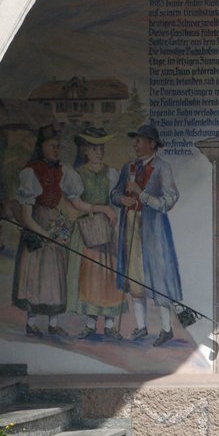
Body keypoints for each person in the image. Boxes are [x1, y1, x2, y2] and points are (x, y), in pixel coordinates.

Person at [112, 122, 184, 346]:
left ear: (152, 144)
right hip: (130, 227)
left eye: (140, 140)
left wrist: (142, 195)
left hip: (153, 231)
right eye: (135, 140)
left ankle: (165, 329)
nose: (135, 144)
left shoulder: (162, 167)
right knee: (135, 279)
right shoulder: (129, 167)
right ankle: (141, 326)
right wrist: (121, 199)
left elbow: (169, 200)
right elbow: (114, 193)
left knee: (159, 277)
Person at [12, 125, 75, 338]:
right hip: (37, 223)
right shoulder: (31, 172)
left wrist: (61, 227)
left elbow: (72, 199)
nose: (56, 150)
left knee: (54, 274)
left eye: (58, 146)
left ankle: (53, 323)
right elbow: (26, 216)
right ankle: (31, 323)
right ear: (42, 147)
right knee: (35, 273)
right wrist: (44, 233)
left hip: (54, 221)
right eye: (52, 146)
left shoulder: (62, 171)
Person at [67, 130, 124, 340]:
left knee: (108, 276)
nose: (99, 152)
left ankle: (109, 325)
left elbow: (116, 199)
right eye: (94, 148)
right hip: (88, 230)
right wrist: (100, 208)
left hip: (107, 230)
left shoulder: (111, 173)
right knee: (90, 276)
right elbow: (76, 203)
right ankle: (90, 324)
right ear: (84, 150)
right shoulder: (77, 174)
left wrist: (113, 212)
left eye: (101, 148)